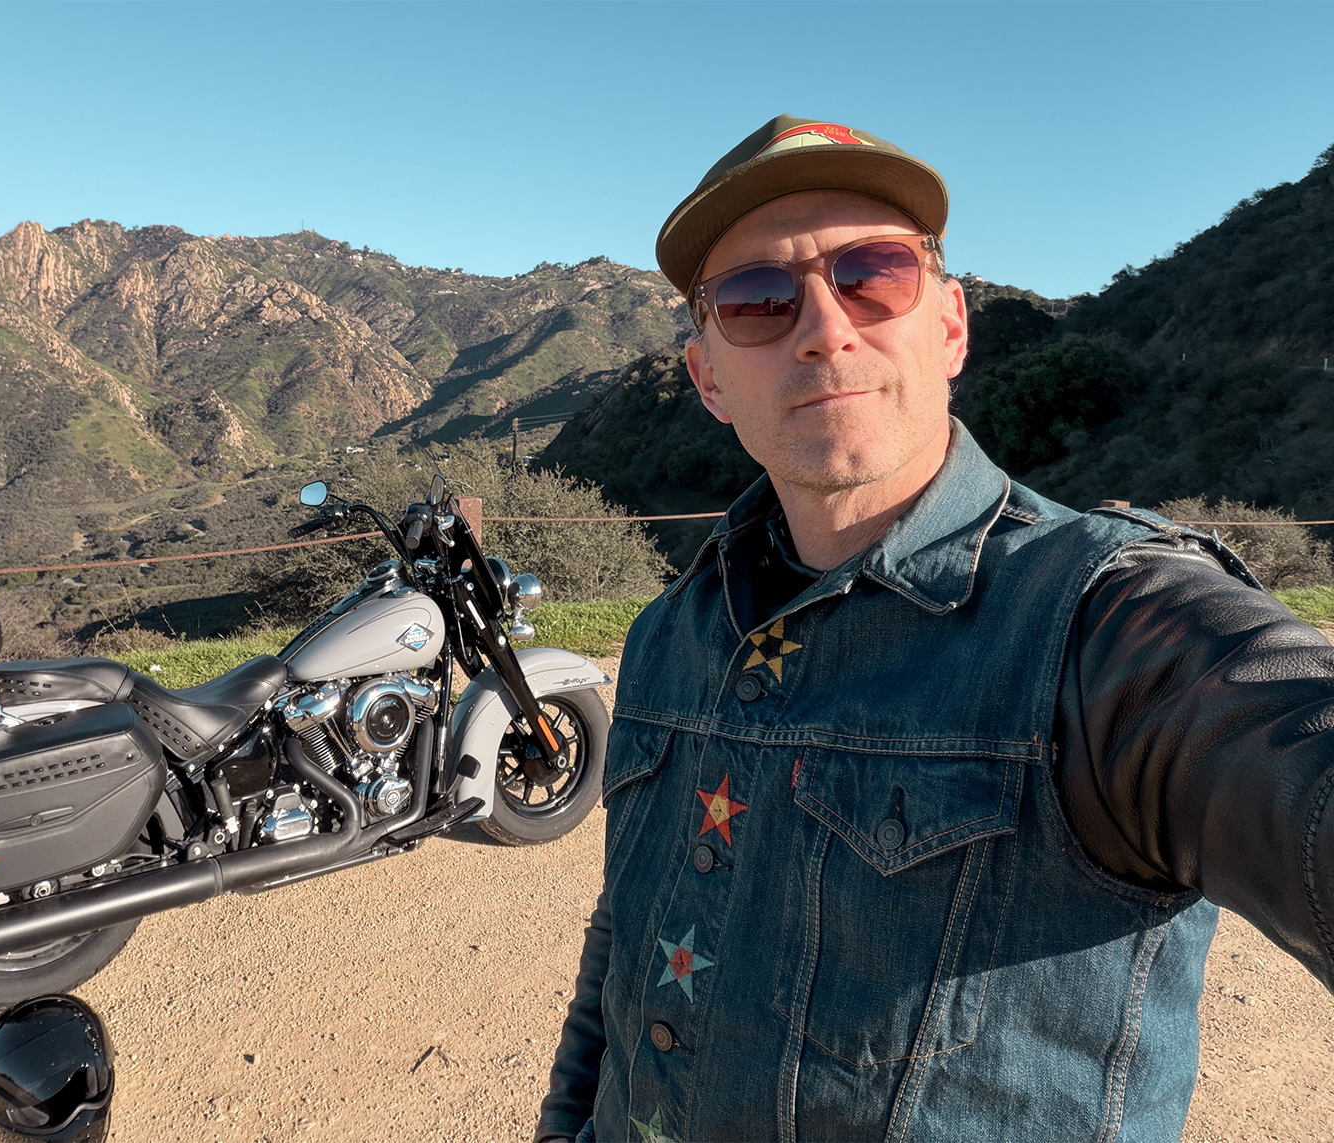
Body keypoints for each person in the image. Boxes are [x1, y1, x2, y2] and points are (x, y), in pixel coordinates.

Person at [535, 115, 1334, 1143]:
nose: (824, 328)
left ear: (951, 326)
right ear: (708, 380)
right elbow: (626, 941)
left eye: (873, 275)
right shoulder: (663, 637)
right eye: (757, 301)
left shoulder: (1104, 625)